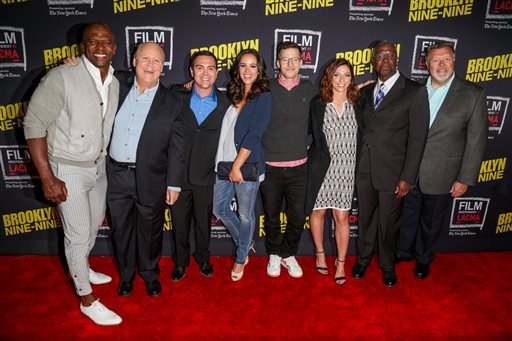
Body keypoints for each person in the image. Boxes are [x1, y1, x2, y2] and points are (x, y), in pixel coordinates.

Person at [23, 22, 122, 325]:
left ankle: (83, 266)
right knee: (78, 236)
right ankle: (87, 299)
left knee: (91, 227)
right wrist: (48, 177)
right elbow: (33, 124)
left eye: (106, 42)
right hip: (67, 169)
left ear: (114, 47)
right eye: (93, 42)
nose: (100, 47)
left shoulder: (114, 82)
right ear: (83, 46)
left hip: (98, 168)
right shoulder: (62, 77)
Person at [396, 42, 488, 279]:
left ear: (454, 61)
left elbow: (476, 141)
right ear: (426, 65)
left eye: (446, 59)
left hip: (443, 173)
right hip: (409, 171)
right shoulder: (413, 91)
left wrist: (465, 178)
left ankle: (424, 258)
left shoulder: (473, 94)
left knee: (432, 221)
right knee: (406, 216)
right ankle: (403, 252)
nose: (441, 65)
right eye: (435, 60)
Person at [107, 42, 185, 297]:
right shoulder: (115, 84)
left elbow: (177, 147)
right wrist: (72, 64)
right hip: (116, 176)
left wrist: (173, 183)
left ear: (163, 68)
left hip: (151, 178)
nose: (150, 66)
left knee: (151, 232)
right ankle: (126, 276)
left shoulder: (172, 101)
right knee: (121, 231)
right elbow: (87, 73)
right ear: (133, 61)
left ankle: (150, 274)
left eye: (157, 62)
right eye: (145, 59)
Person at [352, 40, 429, 287]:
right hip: (364, 170)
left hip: (394, 173)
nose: (385, 60)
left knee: (389, 224)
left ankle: (387, 265)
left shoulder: (414, 91)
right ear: (373, 61)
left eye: (390, 55)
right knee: (365, 219)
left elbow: (418, 139)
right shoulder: (366, 91)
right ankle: (363, 259)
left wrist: (407, 177)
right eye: (379, 56)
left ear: (397, 59)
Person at [169, 51, 230, 282]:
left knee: (204, 224)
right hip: (178, 175)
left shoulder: (226, 104)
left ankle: (204, 260)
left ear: (217, 72)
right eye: (200, 67)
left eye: (211, 68)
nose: (206, 73)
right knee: (179, 224)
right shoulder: (176, 95)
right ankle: (180, 263)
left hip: (206, 176)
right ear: (191, 71)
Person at [212, 49, 272, 281]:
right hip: (223, 163)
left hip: (245, 164)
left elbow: (254, 134)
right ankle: (244, 243)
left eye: (252, 66)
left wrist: (237, 166)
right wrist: (186, 86)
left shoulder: (264, 96)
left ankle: (240, 259)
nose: (247, 71)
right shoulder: (231, 93)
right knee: (219, 208)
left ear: (260, 69)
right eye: (243, 66)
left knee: (246, 215)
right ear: (237, 69)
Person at [261, 41, 317, 278]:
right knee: (271, 215)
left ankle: (288, 253)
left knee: (297, 216)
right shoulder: (265, 88)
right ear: (277, 63)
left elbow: (337, 93)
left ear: (302, 62)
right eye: (285, 59)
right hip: (270, 167)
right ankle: (274, 253)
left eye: (295, 59)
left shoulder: (310, 89)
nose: (290, 63)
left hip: (299, 168)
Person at [305, 58, 359, 286]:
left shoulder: (359, 103)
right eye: (337, 74)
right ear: (329, 77)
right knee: (317, 213)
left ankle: (340, 261)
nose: (341, 80)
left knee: (342, 217)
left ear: (352, 79)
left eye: (347, 75)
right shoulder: (318, 103)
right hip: (321, 168)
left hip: (347, 170)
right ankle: (319, 253)